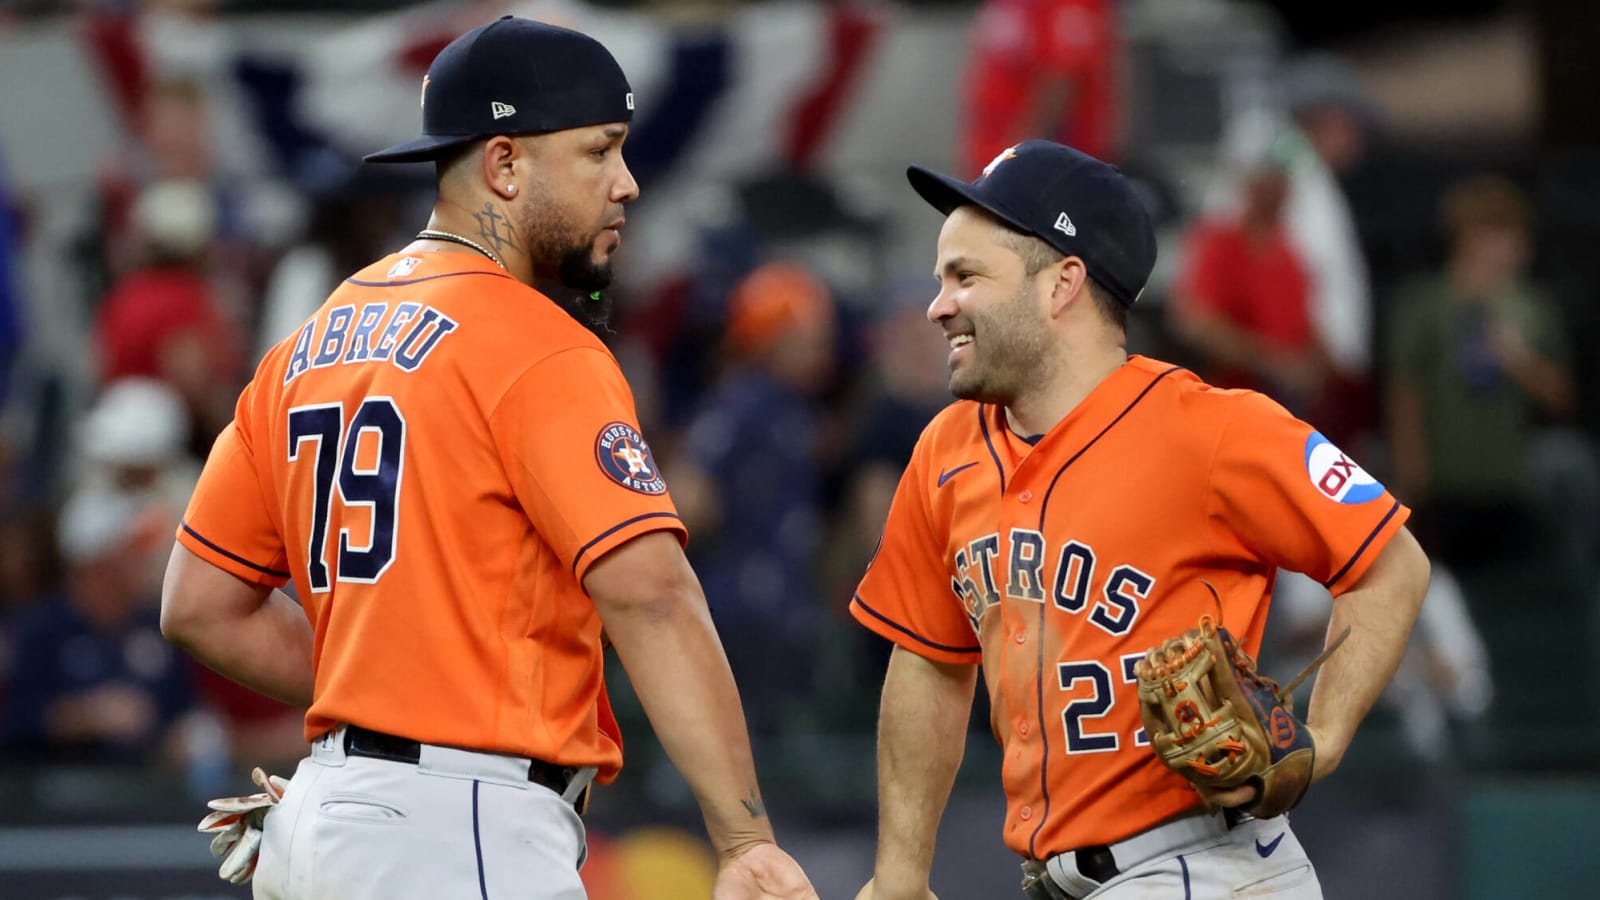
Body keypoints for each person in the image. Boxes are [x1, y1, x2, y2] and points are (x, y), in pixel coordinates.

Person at [158, 17, 816, 900]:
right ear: (504, 165)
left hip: (322, 817)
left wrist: (374, 723)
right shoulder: (538, 343)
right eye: (600, 151)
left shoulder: (308, 340)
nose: (626, 183)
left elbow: (199, 604)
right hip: (457, 825)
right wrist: (744, 841)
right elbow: (652, 595)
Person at [848, 141, 1430, 899]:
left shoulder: (1213, 431)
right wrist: (899, 875)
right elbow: (928, 660)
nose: (938, 305)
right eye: (940, 279)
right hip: (1058, 880)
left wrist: (1324, 740)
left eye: (966, 276)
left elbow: (1392, 564)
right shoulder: (943, 452)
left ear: (1062, 284)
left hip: (1205, 865)